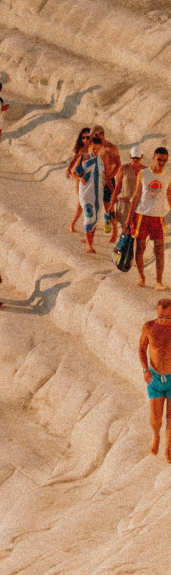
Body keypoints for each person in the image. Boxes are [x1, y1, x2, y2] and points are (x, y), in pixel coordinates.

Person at [127, 146, 171, 290]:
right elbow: (136, 196)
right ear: (153, 158)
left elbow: (169, 195)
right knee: (140, 247)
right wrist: (129, 217)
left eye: (164, 160)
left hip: (158, 217)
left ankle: (159, 282)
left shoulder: (167, 176)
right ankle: (141, 277)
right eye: (159, 159)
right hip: (142, 215)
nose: (161, 163)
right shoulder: (143, 173)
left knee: (159, 249)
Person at [140, 299, 171, 460]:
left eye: (167, 317)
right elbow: (142, 348)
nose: (163, 320)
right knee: (155, 418)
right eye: (160, 316)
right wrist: (145, 369)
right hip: (155, 379)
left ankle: (168, 447)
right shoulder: (149, 327)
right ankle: (156, 436)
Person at [74, 134, 105, 253]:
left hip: (97, 192)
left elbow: (103, 174)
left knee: (96, 217)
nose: (95, 151)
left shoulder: (100, 159)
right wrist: (80, 178)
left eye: (98, 148)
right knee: (89, 214)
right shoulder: (84, 157)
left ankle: (89, 241)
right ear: (89, 146)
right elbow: (73, 173)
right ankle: (88, 245)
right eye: (93, 148)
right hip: (86, 191)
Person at [92, 126, 122, 239]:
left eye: (96, 135)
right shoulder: (94, 146)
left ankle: (114, 232)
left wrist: (110, 176)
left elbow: (118, 164)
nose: (94, 137)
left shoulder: (110, 148)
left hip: (108, 179)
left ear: (102, 134)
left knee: (109, 207)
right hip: (96, 179)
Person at [66, 126, 92, 232]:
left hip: (91, 178)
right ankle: (72, 224)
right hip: (80, 178)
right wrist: (68, 169)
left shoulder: (94, 148)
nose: (85, 140)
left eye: (87, 137)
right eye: (83, 138)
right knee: (81, 202)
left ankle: (90, 223)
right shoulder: (81, 150)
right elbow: (73, 160)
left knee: (89, 201)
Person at [115, 147, 143, 243]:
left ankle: (132, 253)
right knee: (125, 229)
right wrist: (112, 204)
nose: (135, 160)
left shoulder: (145, 170)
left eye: (137, 158)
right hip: (124, 203)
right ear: (130, 156)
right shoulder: (123, 168)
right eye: (133, 157)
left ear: (141, 157)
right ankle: (123, 252)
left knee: (136, 230)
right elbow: (117, 186)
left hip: (138, 204)